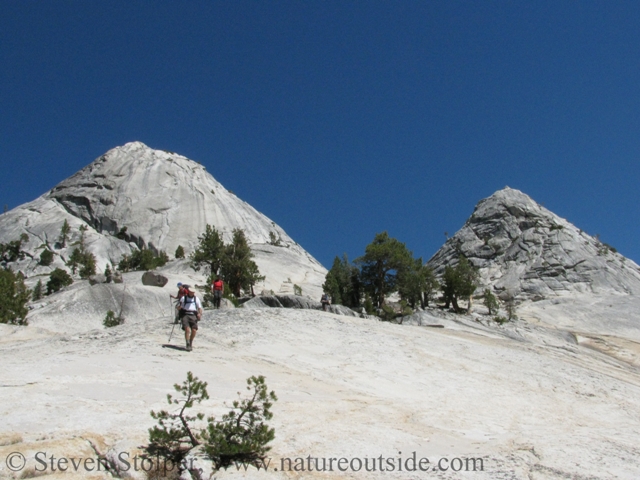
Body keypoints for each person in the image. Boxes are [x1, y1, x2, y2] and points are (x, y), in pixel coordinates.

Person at [176, 287, 202, 351]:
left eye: (193, 292)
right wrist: (179, 308)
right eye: (190, 292)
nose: (191, 293)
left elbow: (199, 308)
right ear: (188, 291)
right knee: (187, 329)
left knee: (194, 330)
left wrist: (199, 314)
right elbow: (179, 307)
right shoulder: (183, 298)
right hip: (185, 314)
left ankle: (190, 342)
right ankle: (187, 344)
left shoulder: (196, 299)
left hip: (193, 315)